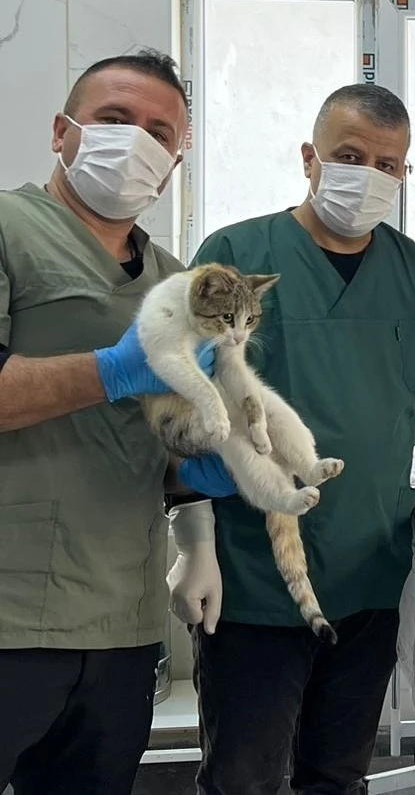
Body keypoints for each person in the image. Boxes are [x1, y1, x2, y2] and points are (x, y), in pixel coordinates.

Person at [167, 83, 415, 795]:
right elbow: (186, 408)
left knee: (338, 776)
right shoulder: (236, 255)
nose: (370, 176)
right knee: (243, 778)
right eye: (351, 156)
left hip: (367, 574)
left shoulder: (406, 265)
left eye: (388, 165)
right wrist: (194, 542)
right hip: (254, 577)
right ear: (311, 158)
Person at [0, 49, 215, 793]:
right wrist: (112, 369)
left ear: (173, 165)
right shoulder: (7, 227)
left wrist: (203, 492)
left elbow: (163, 446)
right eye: (114, 119)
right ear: (63, 132)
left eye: (159, 133)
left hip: (122, 621)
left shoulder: (175, 281)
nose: (136, 143)